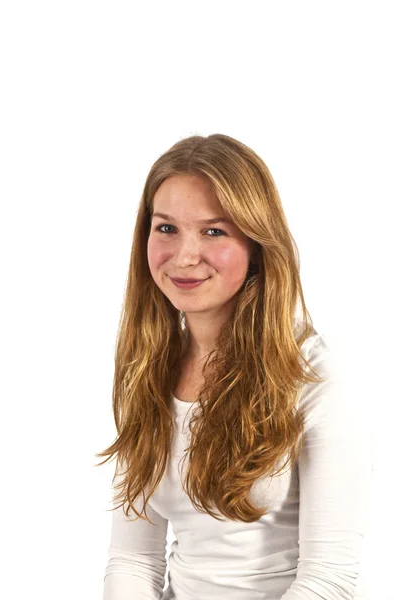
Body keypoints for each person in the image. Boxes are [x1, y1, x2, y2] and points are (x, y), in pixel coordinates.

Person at [97, 133, 372, 599]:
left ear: (257, 242)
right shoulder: (146, 368)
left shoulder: (312, 374)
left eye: (214, 231)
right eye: (166, 228)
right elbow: (134, 559)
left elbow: (330, 580)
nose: (184, 256)